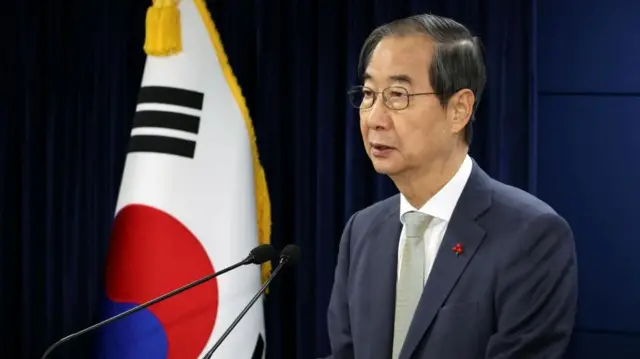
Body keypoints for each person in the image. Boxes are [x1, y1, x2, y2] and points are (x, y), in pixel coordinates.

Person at [324, 13, 578, 359]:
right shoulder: (362, 231)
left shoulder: (531, 236)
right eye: (369, 94)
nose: (374, 119)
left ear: (459, 110)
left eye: (398, 95)